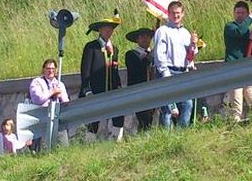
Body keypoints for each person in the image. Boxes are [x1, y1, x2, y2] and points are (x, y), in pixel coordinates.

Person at [80, 11, 124, 142]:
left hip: (112, 90)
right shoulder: (91, 47)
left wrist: (119, 87)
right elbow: (85, 70)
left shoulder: (114, 49)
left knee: (118, 115)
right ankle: (90, 143)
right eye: (105, 29)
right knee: (93, 119)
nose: (108, 32)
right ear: (100, 30)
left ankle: (116, 140)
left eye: (110, 29)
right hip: (95, 89)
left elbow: (115, 71)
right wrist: (87, 89)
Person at [154, 1, 198, 128]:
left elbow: (190, 54)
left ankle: (181, 134)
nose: (176, 16)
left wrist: (193, 44)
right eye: (173, 13)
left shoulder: (186, 32)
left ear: (182, 14)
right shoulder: (163, 31)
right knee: (168, 109)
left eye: (178, 13)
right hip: (168, 71)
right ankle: (166, 137)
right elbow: (159, 53)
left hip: (183, 73)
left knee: (187, 104)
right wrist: (165, 73)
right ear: (168, 14)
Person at [222, 1, 252, 121]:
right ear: (234, 14)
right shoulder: (230, 27)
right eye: (238, 12)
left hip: (248, 70)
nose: (240, 15)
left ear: (246, 13)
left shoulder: (248, 32)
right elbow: (239, 31)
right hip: (234, 69)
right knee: (236, 104)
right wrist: (251, 16)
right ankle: (234, 125)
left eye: (243, 13)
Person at [27, 59, 70, 150]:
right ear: (43, 69)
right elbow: (37, 99)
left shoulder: (60, 84)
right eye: (48, 68)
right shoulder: (37, 82)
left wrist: (60, 96)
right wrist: (52, 92)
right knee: (43, 147)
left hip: (58, 117)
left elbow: (66, 103)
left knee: (63, 146)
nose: (50, 71)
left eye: (53, 69)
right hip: (42, 118)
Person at [124, 27, 156, 132]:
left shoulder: (155, 54)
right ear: (137, 39)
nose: (145, 39)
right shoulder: (131, 54)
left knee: (151, 118)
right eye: (142, 36)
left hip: (153, 89)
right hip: (138, 92)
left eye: (148, 36)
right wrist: (153, 52)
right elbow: (139, 67)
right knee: (143, 118)